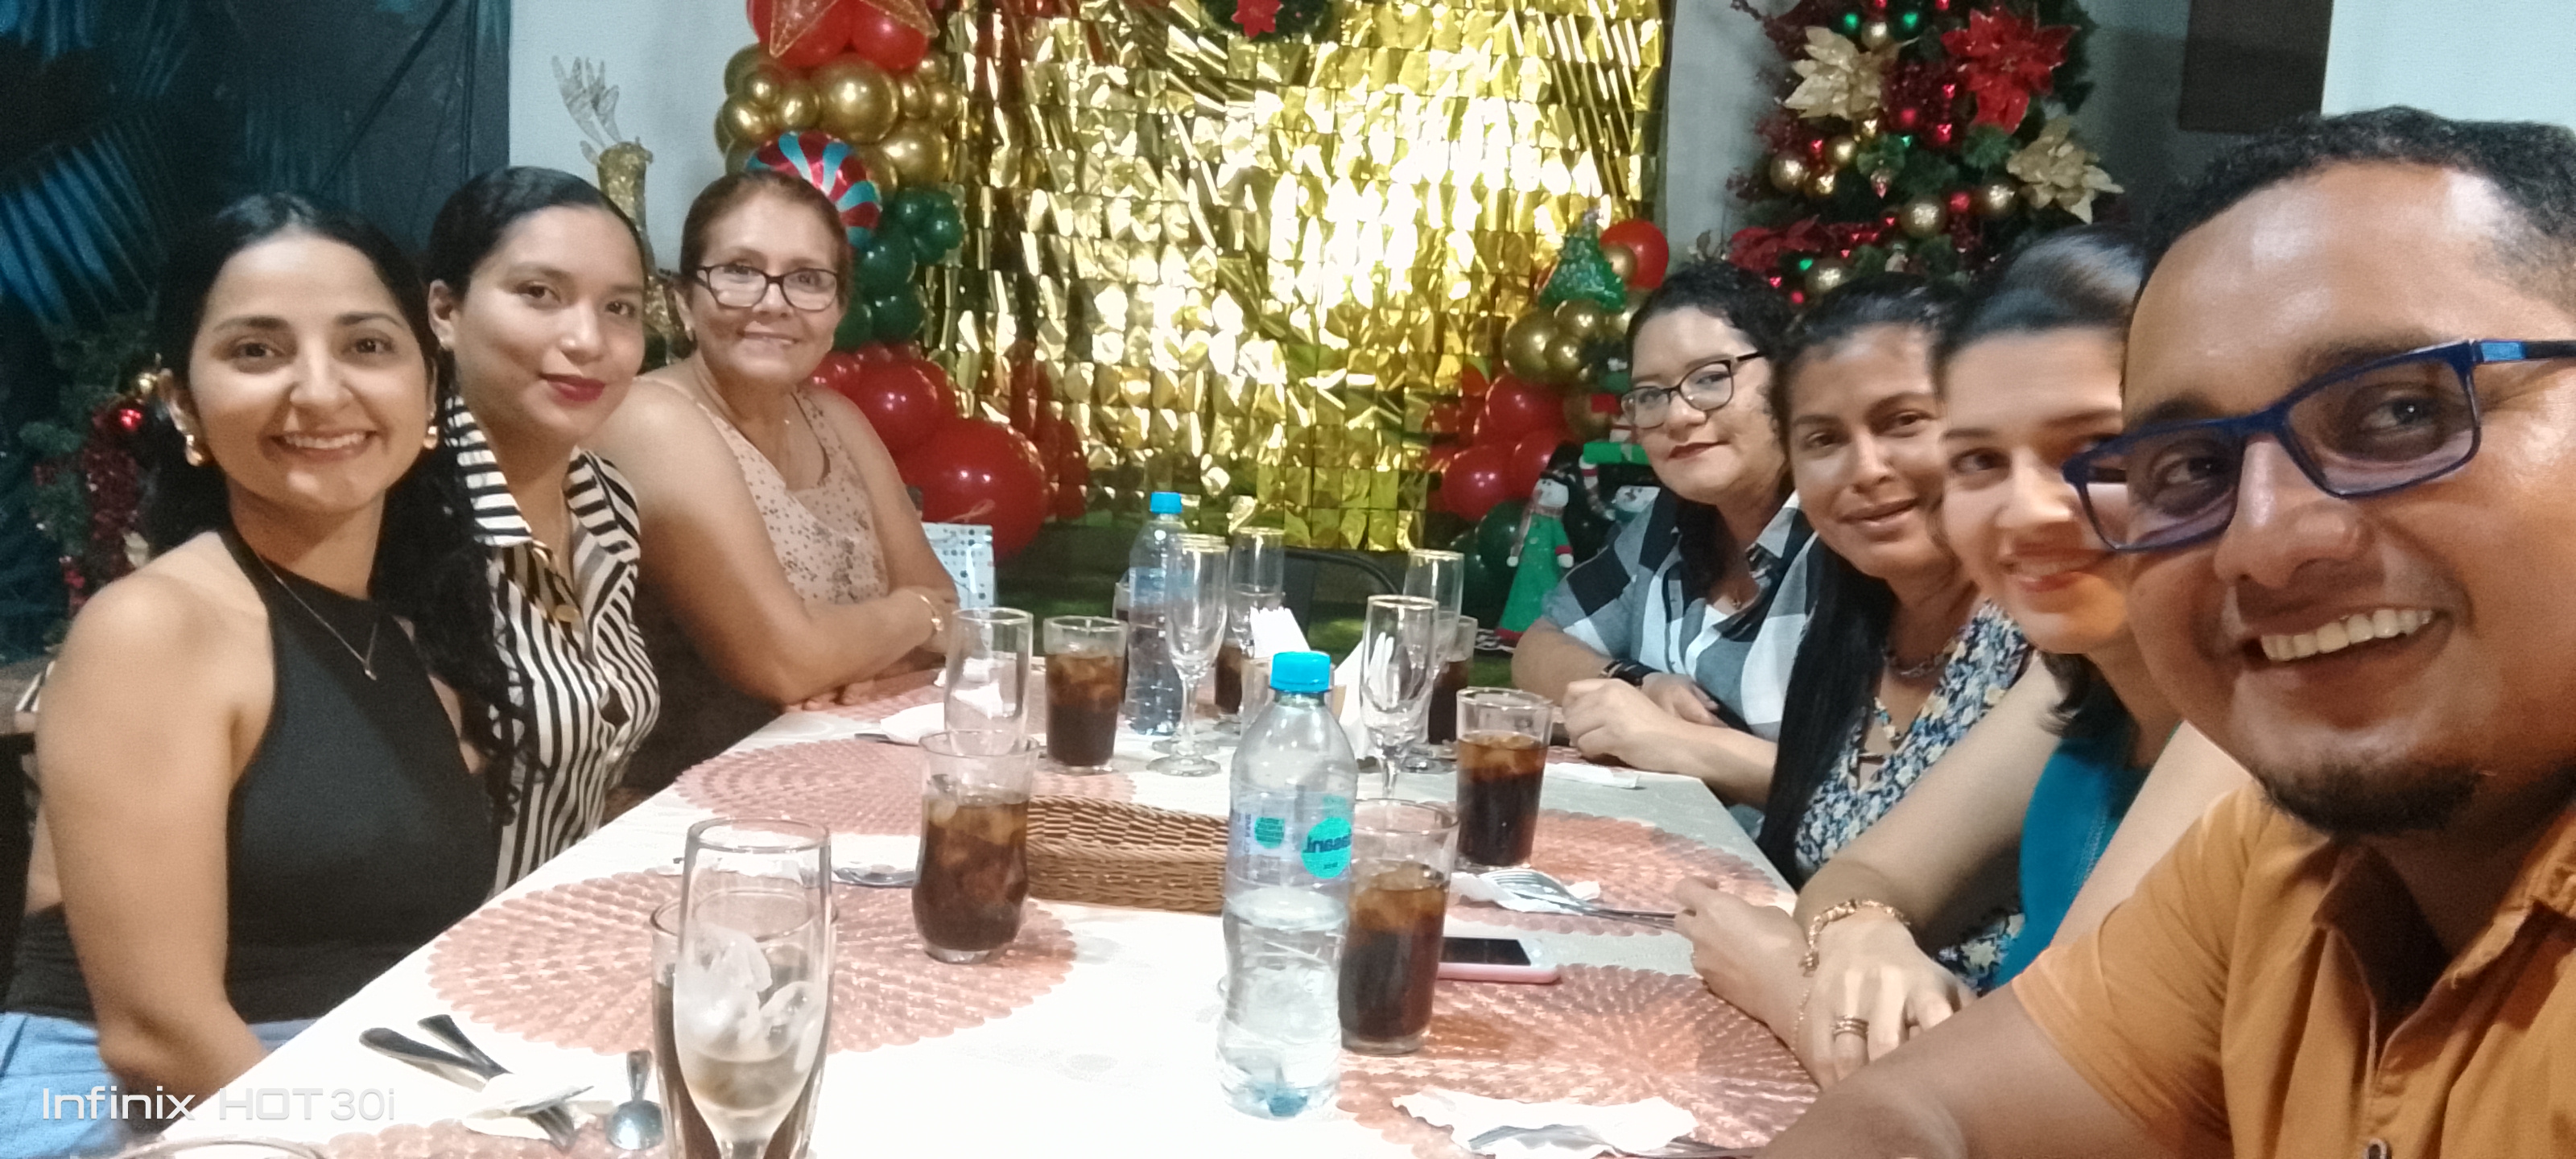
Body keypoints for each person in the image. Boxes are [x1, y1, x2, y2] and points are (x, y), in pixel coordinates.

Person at [1765, 108, 2576, 1157]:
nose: (2264, 542)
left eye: (2400, 414)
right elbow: (1925, 1112)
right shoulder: (2280, 856)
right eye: (2189, 467)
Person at [1673, 229, 2247, 1086]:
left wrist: (1782, 982)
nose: (2027, 509)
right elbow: (1861, 872)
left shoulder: (2242, 718)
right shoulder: (2076, 676)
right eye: (1980, 460)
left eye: (2094, 451)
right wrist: (1864, 929)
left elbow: (2054, 1096)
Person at [0, 194, 505, 1152]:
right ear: (184, 403)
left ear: (429, 387)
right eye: (256, 351)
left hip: (330, 1079)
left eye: (366, 345)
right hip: (130, 1111)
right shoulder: (153, 630)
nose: (318, 391)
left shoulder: (400, 633)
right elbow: (157, 1038)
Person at [592, 168, 955, 797]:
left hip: (837, 782)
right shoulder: (652, 419)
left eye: (808, 279)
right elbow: (785, 662)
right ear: (683, 298)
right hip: (682, 811)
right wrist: (911, 615)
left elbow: (954, 615)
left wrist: (852, 655)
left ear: (838, 309)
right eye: (740, 271)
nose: (773, 302)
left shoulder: (836, 419)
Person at [1746, 275, 2033, 990]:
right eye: (1824, 440)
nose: (1866, 470)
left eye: (1904, 422)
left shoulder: (2045, 635)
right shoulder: (1850, 629)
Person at [423, 167, 663, 887]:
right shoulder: (396, 512)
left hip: (565, 918)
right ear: (445, 310)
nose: (588, 339)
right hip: (437, 946)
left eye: (619, 308)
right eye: (539, 294)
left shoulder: (607, 500)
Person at [1515, 259, 1818, 803]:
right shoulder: (1670, 523)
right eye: (1651, 395)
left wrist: (1672, 741)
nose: (1678, 417)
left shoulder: (1843, 537)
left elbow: (1870, 787)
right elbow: (1537, 648)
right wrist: (1638, 683)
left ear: (1788, 377)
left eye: (1710, 378)